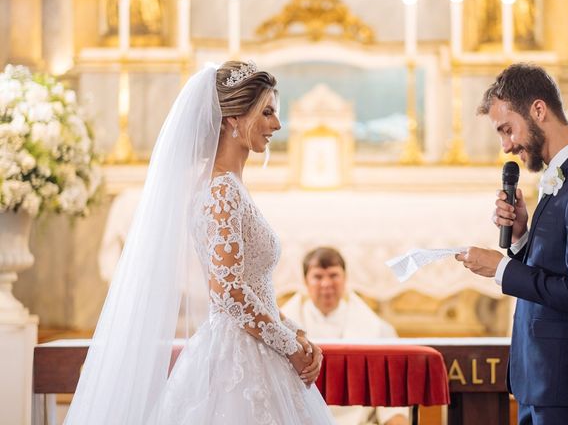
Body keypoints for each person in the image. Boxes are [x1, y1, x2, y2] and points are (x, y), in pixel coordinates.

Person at [65, 62, 336, 424]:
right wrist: (288, 346)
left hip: (257, 346)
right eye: (267, 112)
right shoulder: (221, 190)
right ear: (233, 119)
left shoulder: (231, 186)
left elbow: (252, 290)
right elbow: (227, 291)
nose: (277, 125)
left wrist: (296, 334)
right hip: (239, 359)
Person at [455, 63, 568, 425]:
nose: (506, 146)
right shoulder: (564, 179)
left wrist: (502, 269)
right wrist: (520, 239)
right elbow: (554, 272)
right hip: (543, 382)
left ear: (538, 110)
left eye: (507, 129)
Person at [282, 247, 409, 425]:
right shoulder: (284, 327)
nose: (326, 283)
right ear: (305, 282)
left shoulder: (378, 330)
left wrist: (396, 419)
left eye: (333, 275)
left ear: (345, 278)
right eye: (318, 277)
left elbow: (392, 388)